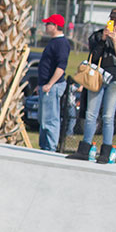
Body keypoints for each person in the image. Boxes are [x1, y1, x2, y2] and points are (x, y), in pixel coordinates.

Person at [67, 7, 116, 164]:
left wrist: (115, 40)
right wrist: (103, 39)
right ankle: (85, 148)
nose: (114, 23)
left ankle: (105, 151)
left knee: (108, 116)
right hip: (97, 77)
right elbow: (93, 57)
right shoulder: (98, 35)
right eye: (112, 19)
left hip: (115, 79)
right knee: (91, 114)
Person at [36, 14, 70, 152]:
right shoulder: (53, 42)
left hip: (52, 86)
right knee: (43, 118)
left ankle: (50, 147)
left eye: (48, 24)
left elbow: (61, 67)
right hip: (45, 85)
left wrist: (50, 84)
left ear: (56, 26)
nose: (46, 26)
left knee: (50, 119)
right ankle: (44, 146)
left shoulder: (61, 43)